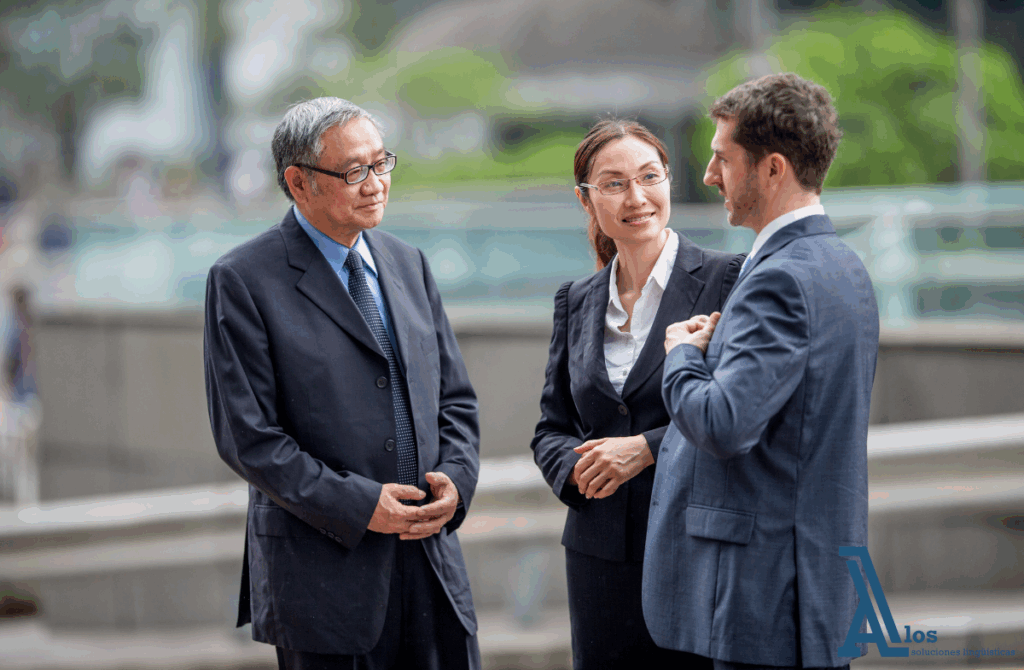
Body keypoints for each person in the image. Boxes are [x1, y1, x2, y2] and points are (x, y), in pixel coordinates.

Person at [204, 97, 481, 670]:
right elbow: (250, 439)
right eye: (355, 171)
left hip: (432, 567)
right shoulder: (243, 281)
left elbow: (453, 399)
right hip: (324, 579)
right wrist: (360, 505)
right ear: (298, 182)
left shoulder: (409, 263)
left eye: (382, 164)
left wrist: (456, 479)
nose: (376, 183)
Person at [643, 73, 879, 670]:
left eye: (723, 158)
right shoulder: (843, 266)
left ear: (773, 169)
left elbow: (725, 424)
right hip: (812, 591)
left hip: (763, 597)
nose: (708, 175)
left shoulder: (778, 278)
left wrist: (681, 357)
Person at [531, 119, 744, 669]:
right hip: (598, 553)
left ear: (669, 182)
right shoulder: (575, 300)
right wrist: (575, 470)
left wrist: (645, 447)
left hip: (694, 547)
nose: (637, 197)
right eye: (614, 183)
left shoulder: (728, 279)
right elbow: (551, 427)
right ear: (586, 200)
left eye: (650, 177)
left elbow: (741, 410)